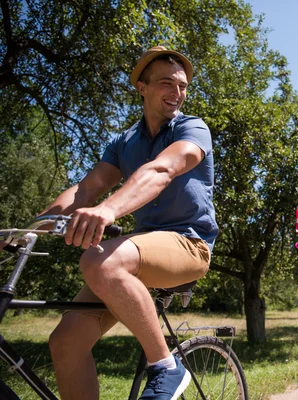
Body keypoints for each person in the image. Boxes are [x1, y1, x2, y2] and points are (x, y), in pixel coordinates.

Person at [41, 46, 218, 400]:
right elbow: (87, 188)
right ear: (142, 87)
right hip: (139, 251)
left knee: (98, 259)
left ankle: (166, 366)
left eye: (183, 86)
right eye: (167, 83)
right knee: (64, 343)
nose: (177, 93)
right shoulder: (125, 141)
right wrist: (32, 227)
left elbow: (162, 169)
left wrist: (108, 211)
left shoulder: (191, 128)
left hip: (188, 244)